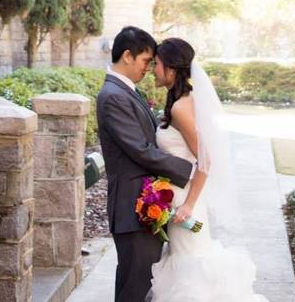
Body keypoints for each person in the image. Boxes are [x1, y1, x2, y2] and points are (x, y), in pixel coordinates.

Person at [148, 37, 267, 301]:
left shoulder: (181, 107)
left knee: (191, 265)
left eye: (156, 64)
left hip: (185, 202)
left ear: (171, 68)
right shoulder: (182, 100)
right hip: (180, 197)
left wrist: (188, 205)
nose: (152, 70)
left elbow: (205, 160)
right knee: (189, 262)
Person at [96, 27, 194, 302]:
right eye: (145, 61)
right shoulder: (113, 96)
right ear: (127, 56)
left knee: (143, 283)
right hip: (132, 207)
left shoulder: (127, 91)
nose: (149, 68)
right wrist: (189, 169)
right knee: (135, 287)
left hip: (145, 206)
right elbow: (141, 150)